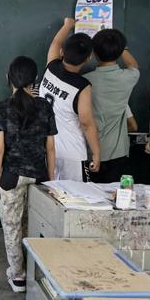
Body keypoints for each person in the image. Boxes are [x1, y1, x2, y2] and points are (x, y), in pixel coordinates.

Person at [0, 56, 57, 293]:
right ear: (34, 81)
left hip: (11, 177)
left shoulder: (1, 108)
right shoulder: (45, 107)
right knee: (34, 226)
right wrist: (51, 180)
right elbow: (50, 148)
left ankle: (18, 277)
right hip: (39, 176)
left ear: (8, 78)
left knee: (12, 228)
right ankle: (35, 273)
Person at [38, 17, 100, 181]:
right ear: (89, 58)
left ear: (62, 52)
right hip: (71, 153)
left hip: (45, 147)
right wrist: (96, 152)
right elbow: (86, 123)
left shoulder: (51, 67)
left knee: (46, 193)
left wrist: (68, 25)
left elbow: (56, 42)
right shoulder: (82, 86)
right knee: (75, 194)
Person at [84, 28, 140, 183]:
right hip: (117, 152)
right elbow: (133, 65)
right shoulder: (129, 77)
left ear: (94, 53)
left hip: (89, 150)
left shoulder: (84, 81)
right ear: (120, 51)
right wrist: (122, 48)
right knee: (115, 195)